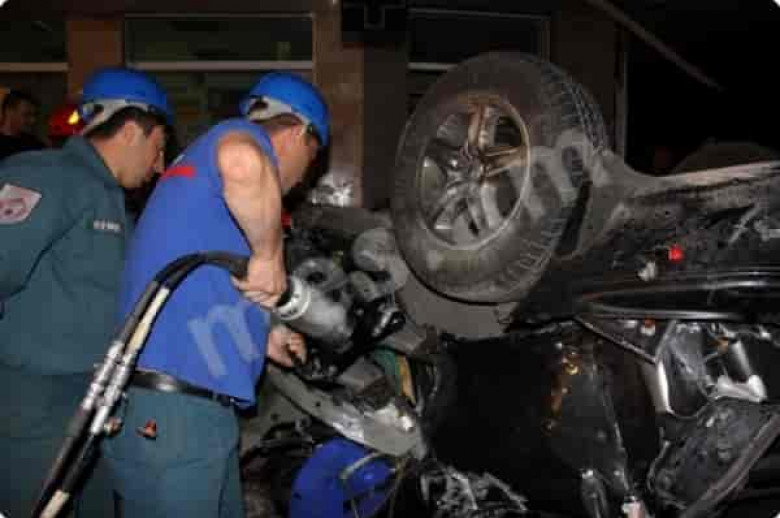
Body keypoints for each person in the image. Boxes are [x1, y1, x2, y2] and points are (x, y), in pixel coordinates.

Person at [103, 72, 329, 517]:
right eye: (312, 156)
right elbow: (242, 163)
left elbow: (209, 278)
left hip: (187, 414)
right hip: (177, 416)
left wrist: (263, 335)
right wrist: (269, 256)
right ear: (300, 133)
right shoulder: (240, 139)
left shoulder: (204, 185)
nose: (304, 177)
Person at [0, 67, 171, 517]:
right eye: (158, 147)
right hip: (37, 409)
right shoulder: (46, 176)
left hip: (90, 406)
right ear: (131, 131)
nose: (159, 165)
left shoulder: (109, 198)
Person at [0, 89, 46, 159]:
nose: (33, 120)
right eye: (26, 115)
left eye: (35, 115)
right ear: (9, 112)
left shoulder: (34, 143)